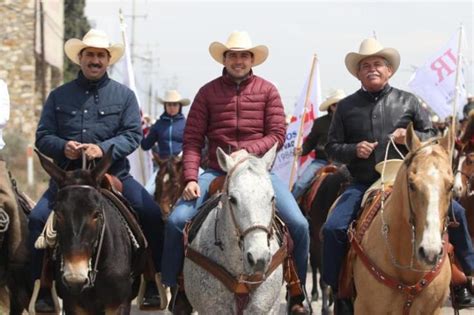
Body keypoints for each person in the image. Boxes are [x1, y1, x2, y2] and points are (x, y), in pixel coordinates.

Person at [161, 31, 310, 314]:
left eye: (244, 55)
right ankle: (177, 286)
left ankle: (296, 290)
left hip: (258, 172)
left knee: (299, 224)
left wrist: (249, 151)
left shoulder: (268, 91)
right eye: (233, 55)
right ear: (225, 59)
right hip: (216, 170)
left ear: (252, 59)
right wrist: (191, 178)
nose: (238, 60)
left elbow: (277, 134)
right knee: (177, 221)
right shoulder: (207, 92)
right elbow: (192, 140)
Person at [322, 37, 474, 312]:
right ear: (358, 73)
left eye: (378, 64)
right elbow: (331, 147)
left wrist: (410, 138)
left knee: (458, 214)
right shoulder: (345, 108)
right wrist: (354, 149)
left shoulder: (409, 101)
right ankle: (340, 291)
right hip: (363, 181)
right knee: (333, 228)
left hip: (408, 181)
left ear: (389, 70)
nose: (372, 69)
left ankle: (465, 279)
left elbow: (432, 137)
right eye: (365, 65)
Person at [30, 29, 164, 311]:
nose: (95, 59)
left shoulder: (125, 96)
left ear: (107, 60)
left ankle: (152, 279)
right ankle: (42, 286)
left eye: (100, 55)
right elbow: (42, 136)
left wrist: (102, 148)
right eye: (89, 54)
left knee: (151, 214)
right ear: (80, 58)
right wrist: (62, 146)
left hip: (113, 175)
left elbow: (133, 134)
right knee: (37, 218)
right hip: (67, 179)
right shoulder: (58, 96)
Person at [292, 89, 346, 199]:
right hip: (321, 161)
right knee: (300, 184)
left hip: (344, 163)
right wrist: (301, 150)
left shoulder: (352, 122)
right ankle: (288, 211)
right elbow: (310, 142)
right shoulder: (319, 123)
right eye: (337, 105)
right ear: (331, 107)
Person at [141, 90, 190, 194]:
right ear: (165, 106)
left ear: (180, 106)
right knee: (148, 192)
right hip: (163, 167)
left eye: (175, 104)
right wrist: (139, 130)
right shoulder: (158, 125)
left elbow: (197, 145)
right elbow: (145, 145)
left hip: (183, 165)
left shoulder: (187, 124)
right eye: (169, 104)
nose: (172, 107)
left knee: (203, 188)